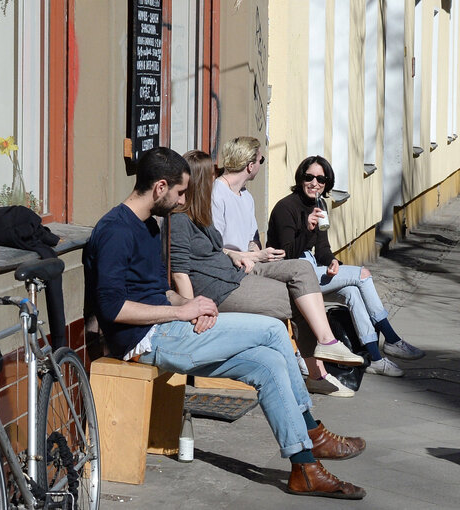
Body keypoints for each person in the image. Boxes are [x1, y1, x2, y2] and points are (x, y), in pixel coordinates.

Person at [83, 146, 366, 499]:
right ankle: (311, 431)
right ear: (159, 188)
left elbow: (159, 293)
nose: (184, 200)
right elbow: (112, 308)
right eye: (180, 192)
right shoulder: (115, 230)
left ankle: (304, 466)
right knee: (273, 328)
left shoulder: (149, 227)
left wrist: (193, 305)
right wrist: (179, 312)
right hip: (147, 340)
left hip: (170, 327)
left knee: (268, 363)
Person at [168, 150, 363, 397]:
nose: (216, 181)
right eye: (212, 176)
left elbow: (216, 251)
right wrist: (193, 310)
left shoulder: (200, 217)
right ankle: (317, 371)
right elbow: (180, 273)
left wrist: (236, 255)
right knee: (300, 298)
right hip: (221, 289)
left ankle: (323, 352)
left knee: (303, 272)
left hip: (233, 274)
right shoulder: (179, 221)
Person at [267, 155, 426, 378]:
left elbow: (322, 249)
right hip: (291, 276)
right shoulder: (286, 207)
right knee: (361, 275)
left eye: (321, 179)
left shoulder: (319, 204)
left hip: (312, 270)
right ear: (300, 178)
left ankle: (375, 359)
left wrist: (332, 262)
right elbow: (287, 253)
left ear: (327, 183)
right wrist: (306, 225)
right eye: (309, 177)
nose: (315, 183)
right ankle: (391, 339)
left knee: (352, 290)